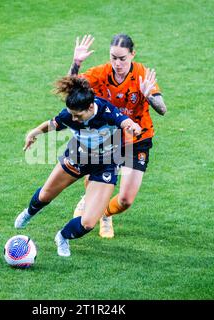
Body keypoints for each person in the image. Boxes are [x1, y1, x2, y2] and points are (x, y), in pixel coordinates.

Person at [14, 76, 141, 257]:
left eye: (78, 115)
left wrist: (133, 126)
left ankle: (62, 237)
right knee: (45, 195)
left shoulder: (106, 111)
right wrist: (34, 132)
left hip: (104, 165)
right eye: (71, 114)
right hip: (77, 156)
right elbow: (53, 124)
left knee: (88, 223)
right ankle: (28, 213)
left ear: (90, 107)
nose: (73, 119)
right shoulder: (71, 115)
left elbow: (124, 121)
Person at [68, 34, 167, 238]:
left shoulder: (142, 74)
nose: (117, 63)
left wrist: (148, 96)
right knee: (95, 178)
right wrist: (76, 63)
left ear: (132, 54)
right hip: (107, 137)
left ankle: (104, 212)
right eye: (114, 57)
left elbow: (163, 109)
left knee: (125, 200)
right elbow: (70, 90)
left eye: (122, 58)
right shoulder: (101, 73)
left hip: (137, 138)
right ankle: (90, 202)